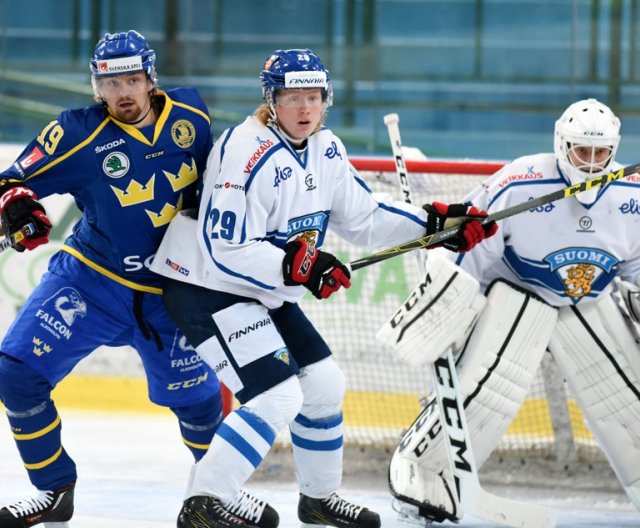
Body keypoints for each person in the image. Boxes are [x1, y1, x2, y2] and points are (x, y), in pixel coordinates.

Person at [149, 48, 497, 528]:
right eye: (293, 97)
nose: (305, 109)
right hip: (206, 287)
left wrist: (436, 222)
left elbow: (366, 218)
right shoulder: (243, 148)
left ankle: (317, 499)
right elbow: (222, 246)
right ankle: (203, 502)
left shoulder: (325, 147)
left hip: (264, 290)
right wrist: (301, 267)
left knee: (324, 386)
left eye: (314, 97)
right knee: (278, 397)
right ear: (271, 100)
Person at [0, 31, 276, 528]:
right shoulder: (75, 134)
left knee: (198, 406)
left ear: (151, 79)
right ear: (96, 87)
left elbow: (224, 190)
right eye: (110, 83)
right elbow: (11, 181)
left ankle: (216, 493)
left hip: (169, 296)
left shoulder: (192, 117)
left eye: (132, 79)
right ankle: (53, 490)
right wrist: (17, 207)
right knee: (16, 374)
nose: (123, 92)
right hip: (90, 283)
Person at [387, 98, 640, 523]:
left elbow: (635, 265)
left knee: (625, 403)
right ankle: (422, 471)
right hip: (518, 296)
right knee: (485, 393)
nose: (593, 164)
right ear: (562, 144)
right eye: (583, 151)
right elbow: (468, 248)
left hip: (588, 304)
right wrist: (449, 310)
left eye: (602, 154)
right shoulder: (519, 183)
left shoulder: (632, 197)